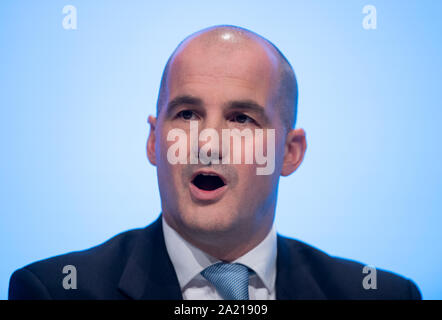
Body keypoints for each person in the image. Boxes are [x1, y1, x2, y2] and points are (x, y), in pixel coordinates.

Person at [9, 25, 421, 300]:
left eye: (242, 118)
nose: (207, 143)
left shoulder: (381, 294)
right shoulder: (55, 290)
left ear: (290, 153)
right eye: (186, 114)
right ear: (154, 142)